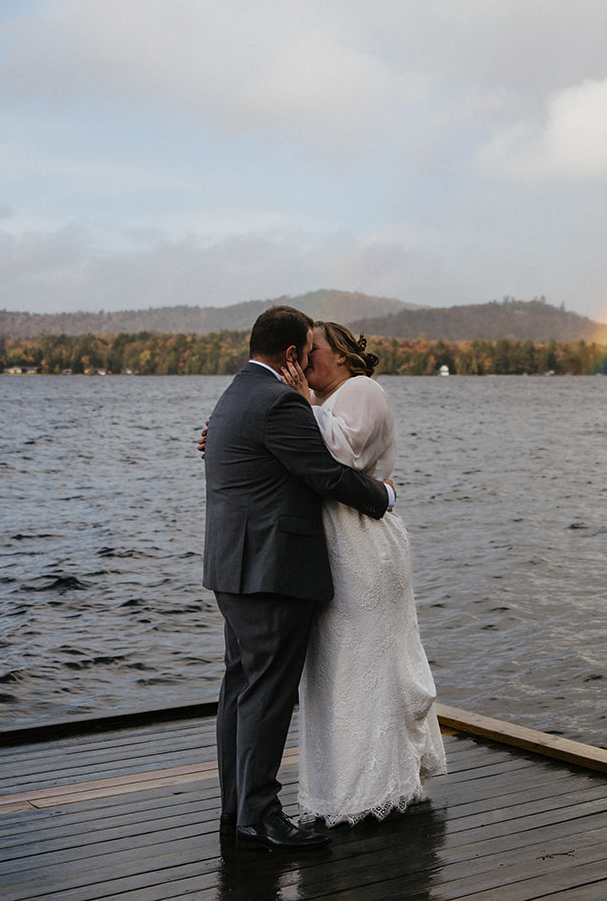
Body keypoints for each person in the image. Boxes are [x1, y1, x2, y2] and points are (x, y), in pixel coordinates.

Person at [202, 305, 394, 851]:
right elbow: (326, 473)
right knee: (266, 693)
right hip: (272, 571)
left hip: (231, 567)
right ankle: (261, 817)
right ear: (290, 354)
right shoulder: (279, 402)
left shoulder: (234, 394)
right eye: (306, 355)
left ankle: (236, 807)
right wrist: (384, 497)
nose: (310, 364)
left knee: (239, 687)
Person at [292, 321, 447, 824]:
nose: (302, 359)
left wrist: (295, 400)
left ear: (338, 354)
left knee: (367, 659)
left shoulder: (363, 390)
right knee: (334, 664)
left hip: (363, 541)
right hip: (334, 543)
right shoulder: (323, 400)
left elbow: (343, 452)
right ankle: (339, 788)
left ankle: (379, 787)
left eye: (310, 350)